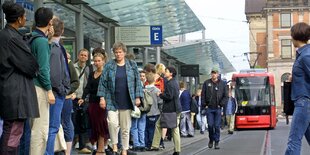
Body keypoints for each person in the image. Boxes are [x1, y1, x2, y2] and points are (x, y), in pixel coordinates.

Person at [0, 1, 39, 154]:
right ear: (19, 19)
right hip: (16, 94)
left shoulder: (6, 35)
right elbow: (31, 65)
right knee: (12, 134)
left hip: (10, 91)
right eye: (24, 17)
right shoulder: (12, 38)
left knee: (13, 133)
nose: (25, 19)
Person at [97, 42, 143, 155]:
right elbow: (103, 82)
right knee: (112, 123)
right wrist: (102, 98)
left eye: (120, 52)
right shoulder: (109, 65)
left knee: (125, 128)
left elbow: (138, 82)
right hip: (112, 100)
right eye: (116, 52)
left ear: (124, 53)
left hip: (127, 100)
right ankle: (114, 146)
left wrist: (138, 97)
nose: (118, 54)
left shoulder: (132, 65)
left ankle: (124, 149)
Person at [28, 7, 55, 155]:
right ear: (50, 22)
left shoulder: (31, 37)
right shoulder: (42, 42)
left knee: (32, 128)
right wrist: (49, 90)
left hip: (29, 87)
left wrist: (48, 40)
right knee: (40, 130)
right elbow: (44, 69)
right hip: (39, 89)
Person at [46, 17, 70, 154]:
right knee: (52, 127)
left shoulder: (55, 46)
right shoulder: (55, 48)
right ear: (62, 30)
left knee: (51, 127)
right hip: (56, 94)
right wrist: (63, 89)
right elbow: (55, 75)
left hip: (55, 92)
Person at [285, 22, 310, 155]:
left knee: (294, 141)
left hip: (304, 102)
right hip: (304, 102)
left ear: (295, 36)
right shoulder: (303, 54)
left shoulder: (306, 56)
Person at [79, 53, 110, 155]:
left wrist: (104, 99)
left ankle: (101, 149)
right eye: (95, 61)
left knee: (101, 125)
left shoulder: (107, 73)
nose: (96, 63)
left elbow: (108, 88)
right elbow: (87, 87)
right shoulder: (92, 74)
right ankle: (99, 147)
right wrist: (83, 98)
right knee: (94, 125)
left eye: (98, 61)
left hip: (102, 103)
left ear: (103, 61)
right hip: (92, 103)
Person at [150, 67, 182, 155]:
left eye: (167, 71)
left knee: (162, 126)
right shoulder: (174, 82)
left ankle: (155, 146)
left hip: (170, 110)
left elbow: (169, 96)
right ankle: (176, 149)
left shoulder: (170, 83)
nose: (165, 72)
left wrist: (160, 94)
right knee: (174, 129)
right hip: (175, 109)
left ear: (171, 73)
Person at [201, 68, 228, 149]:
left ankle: (216, 141)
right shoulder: (206, 83)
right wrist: (204, 104)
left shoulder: (222, 84)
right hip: (209, 108)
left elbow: (225, 96)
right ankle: (211, 139)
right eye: (212, 73)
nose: (213, 74)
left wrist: (221, 104)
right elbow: (203, 95)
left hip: (218, 108)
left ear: (218, 74)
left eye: (215, 73)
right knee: (210, 125)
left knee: (216, 126)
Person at [73, 48, 91, 154]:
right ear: (78, 56)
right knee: (73, 121)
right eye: (82, 55)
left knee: (83, 122)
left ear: (87, 58)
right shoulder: (72, 67)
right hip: (73, 98)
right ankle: (72, 143)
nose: (83, 57)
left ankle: (82, 145)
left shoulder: (88, 69)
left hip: (83, 99)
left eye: (85, 55)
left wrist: (85, 98)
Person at [144, 72, 162, 150]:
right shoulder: (157, 90)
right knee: (152, 129)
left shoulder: (143, 90)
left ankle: (145, 144)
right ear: (154, 80)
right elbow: (160, 102)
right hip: (155, 112)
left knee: (145, 129)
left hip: (145, 113)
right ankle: (151, 144)